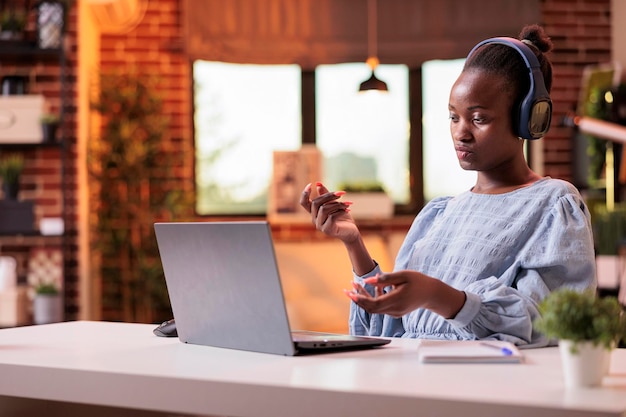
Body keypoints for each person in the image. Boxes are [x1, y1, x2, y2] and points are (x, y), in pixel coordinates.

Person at [299, 24, 596, 347]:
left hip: (483, 386)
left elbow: (548, 322)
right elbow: (386, 333)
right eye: (454, 117)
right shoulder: (438, 214)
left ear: (528, 118)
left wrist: (436, 295)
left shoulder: (554, 206)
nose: (461, 133)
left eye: (479, 118)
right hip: (411, 380)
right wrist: (353, 243)